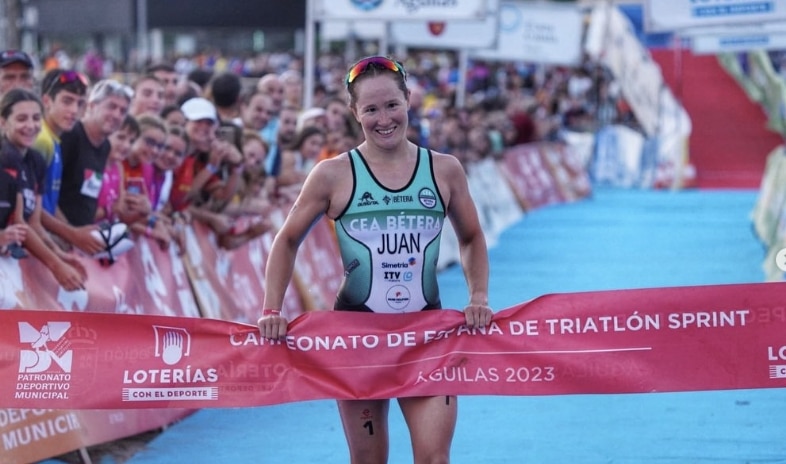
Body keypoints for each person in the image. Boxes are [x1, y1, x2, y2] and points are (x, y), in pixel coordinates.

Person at [257, 56, 493, 464]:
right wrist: (271, 308)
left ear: (408, 101)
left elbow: (471, 236)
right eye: (370, 109)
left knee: (435, 458)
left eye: (391, 105)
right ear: (355, 113)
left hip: (426, 335)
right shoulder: (333, 174)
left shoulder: (444, 169)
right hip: (356, 338)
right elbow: (287, 239)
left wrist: (478, 297)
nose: (383, 118)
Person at [0, 88, 86, 290]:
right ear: (3, 122)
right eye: (21, 119)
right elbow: (20, 223)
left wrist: (58, 253)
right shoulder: (6, 157)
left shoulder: (36, 160)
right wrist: (56, 265)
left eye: (36, 118)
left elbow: (34, 222)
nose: (30, 126)